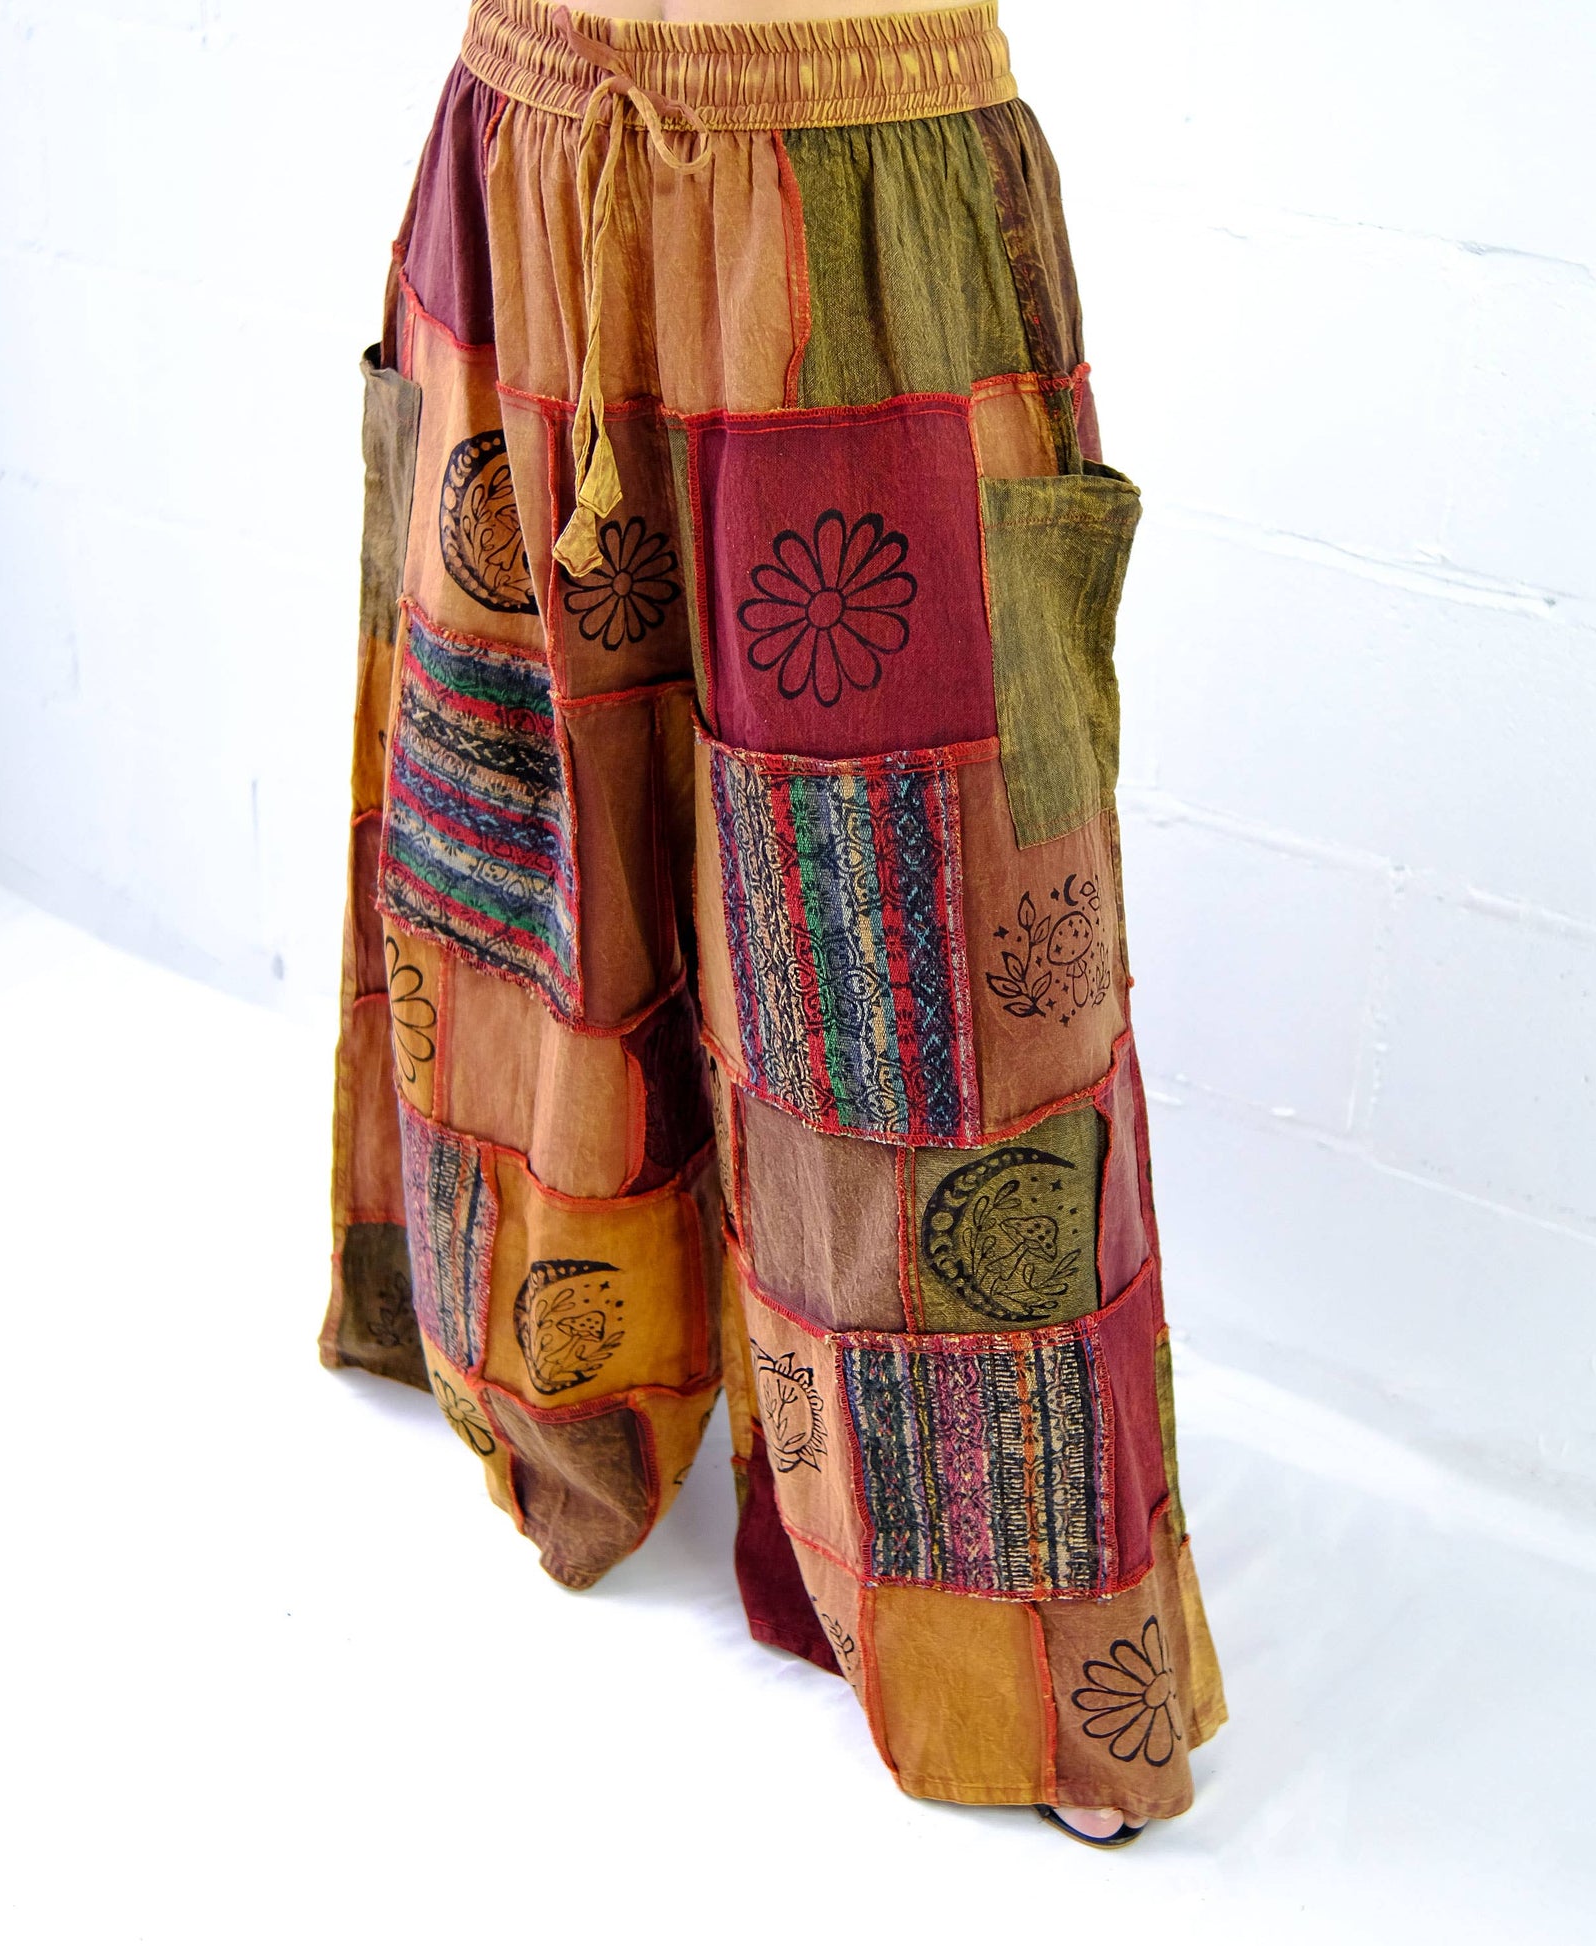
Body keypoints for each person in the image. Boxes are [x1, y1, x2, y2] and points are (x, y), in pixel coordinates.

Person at [319, 0, 1227, 1848]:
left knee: (924, 960)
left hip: (866, 185)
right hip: (525, 144)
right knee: (508, 833)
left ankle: (1005, 1626)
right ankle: (524, 1346)